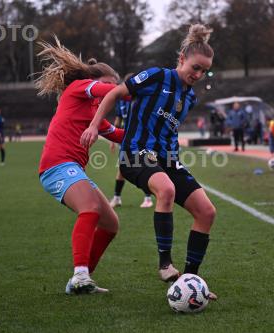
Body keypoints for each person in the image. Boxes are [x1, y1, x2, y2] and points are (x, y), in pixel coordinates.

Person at [81, 24, 218, 300]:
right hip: (135, 155)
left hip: (168, 159)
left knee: (207, 212)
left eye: (204, 71)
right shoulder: (156, 76)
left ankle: (191, 280)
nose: (198, 74)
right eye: (195, 67)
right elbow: (114, 93)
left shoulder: (189, 97)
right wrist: (96, 125)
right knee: (165, 190)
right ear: (182, 59)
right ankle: (165, 264)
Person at [35, 37, 125, 295]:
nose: (111, 91)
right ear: (96, 81)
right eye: (109, 85)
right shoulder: (79, 87)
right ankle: (80, 274)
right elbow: (108, 92)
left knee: (110, 224)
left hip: (71, 167)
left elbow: (118, 135)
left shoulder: (94, 113)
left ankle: (81, 281)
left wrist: (150, 134)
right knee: (90, 208)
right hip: (56, 166)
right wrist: (132, 87)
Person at [109, 79, 153, 209]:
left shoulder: (141, 100)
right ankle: (117, 197)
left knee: (143, 166)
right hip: (126, 138)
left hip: (140, 139)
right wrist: (112, 141)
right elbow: (118, 119)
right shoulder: (121, 101)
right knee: (122, 168)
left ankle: (148, 198)